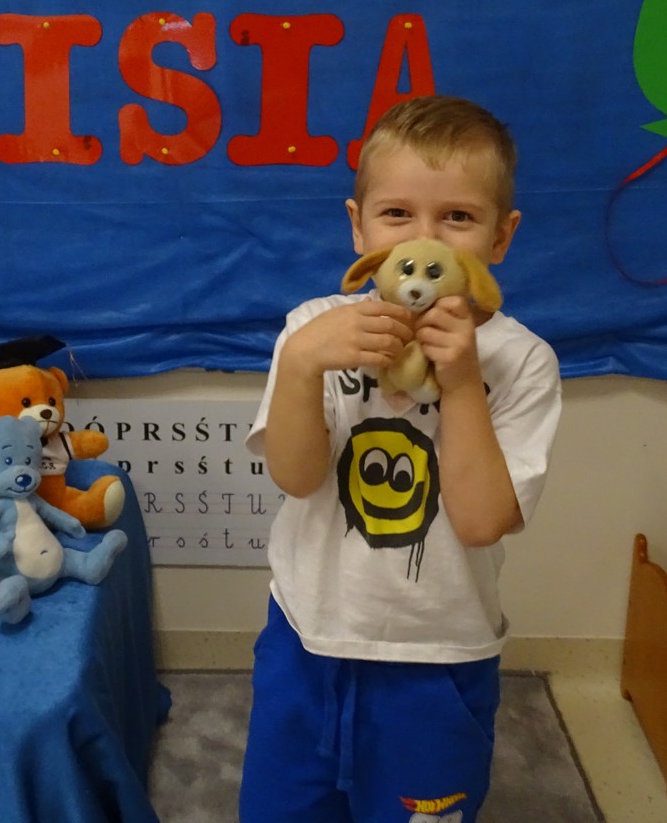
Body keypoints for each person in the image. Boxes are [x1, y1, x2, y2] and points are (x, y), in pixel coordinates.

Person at [238, 95, 562, 823]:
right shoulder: (312, 329)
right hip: (306, 642)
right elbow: (295, 477)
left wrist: (462, 383)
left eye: (458, 217)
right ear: (359, 227)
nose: (426, 240)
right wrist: (301, 366)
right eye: (397, 214)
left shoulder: (522, 361)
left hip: (439, 660)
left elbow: (480, 522)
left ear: (501, 237)